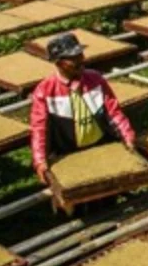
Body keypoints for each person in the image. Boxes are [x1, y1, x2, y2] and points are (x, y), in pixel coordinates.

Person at [29, 33, 136, 185]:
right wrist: (40, 161)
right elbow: (39, 128)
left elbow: (113, 111)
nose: (80, 61)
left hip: (101, 146)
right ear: (59, 63)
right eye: (73, 59)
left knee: (107, 188)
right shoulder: (45, 91)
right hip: (69, 154)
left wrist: (127, 135)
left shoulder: (95, 79)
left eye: (80, 55)